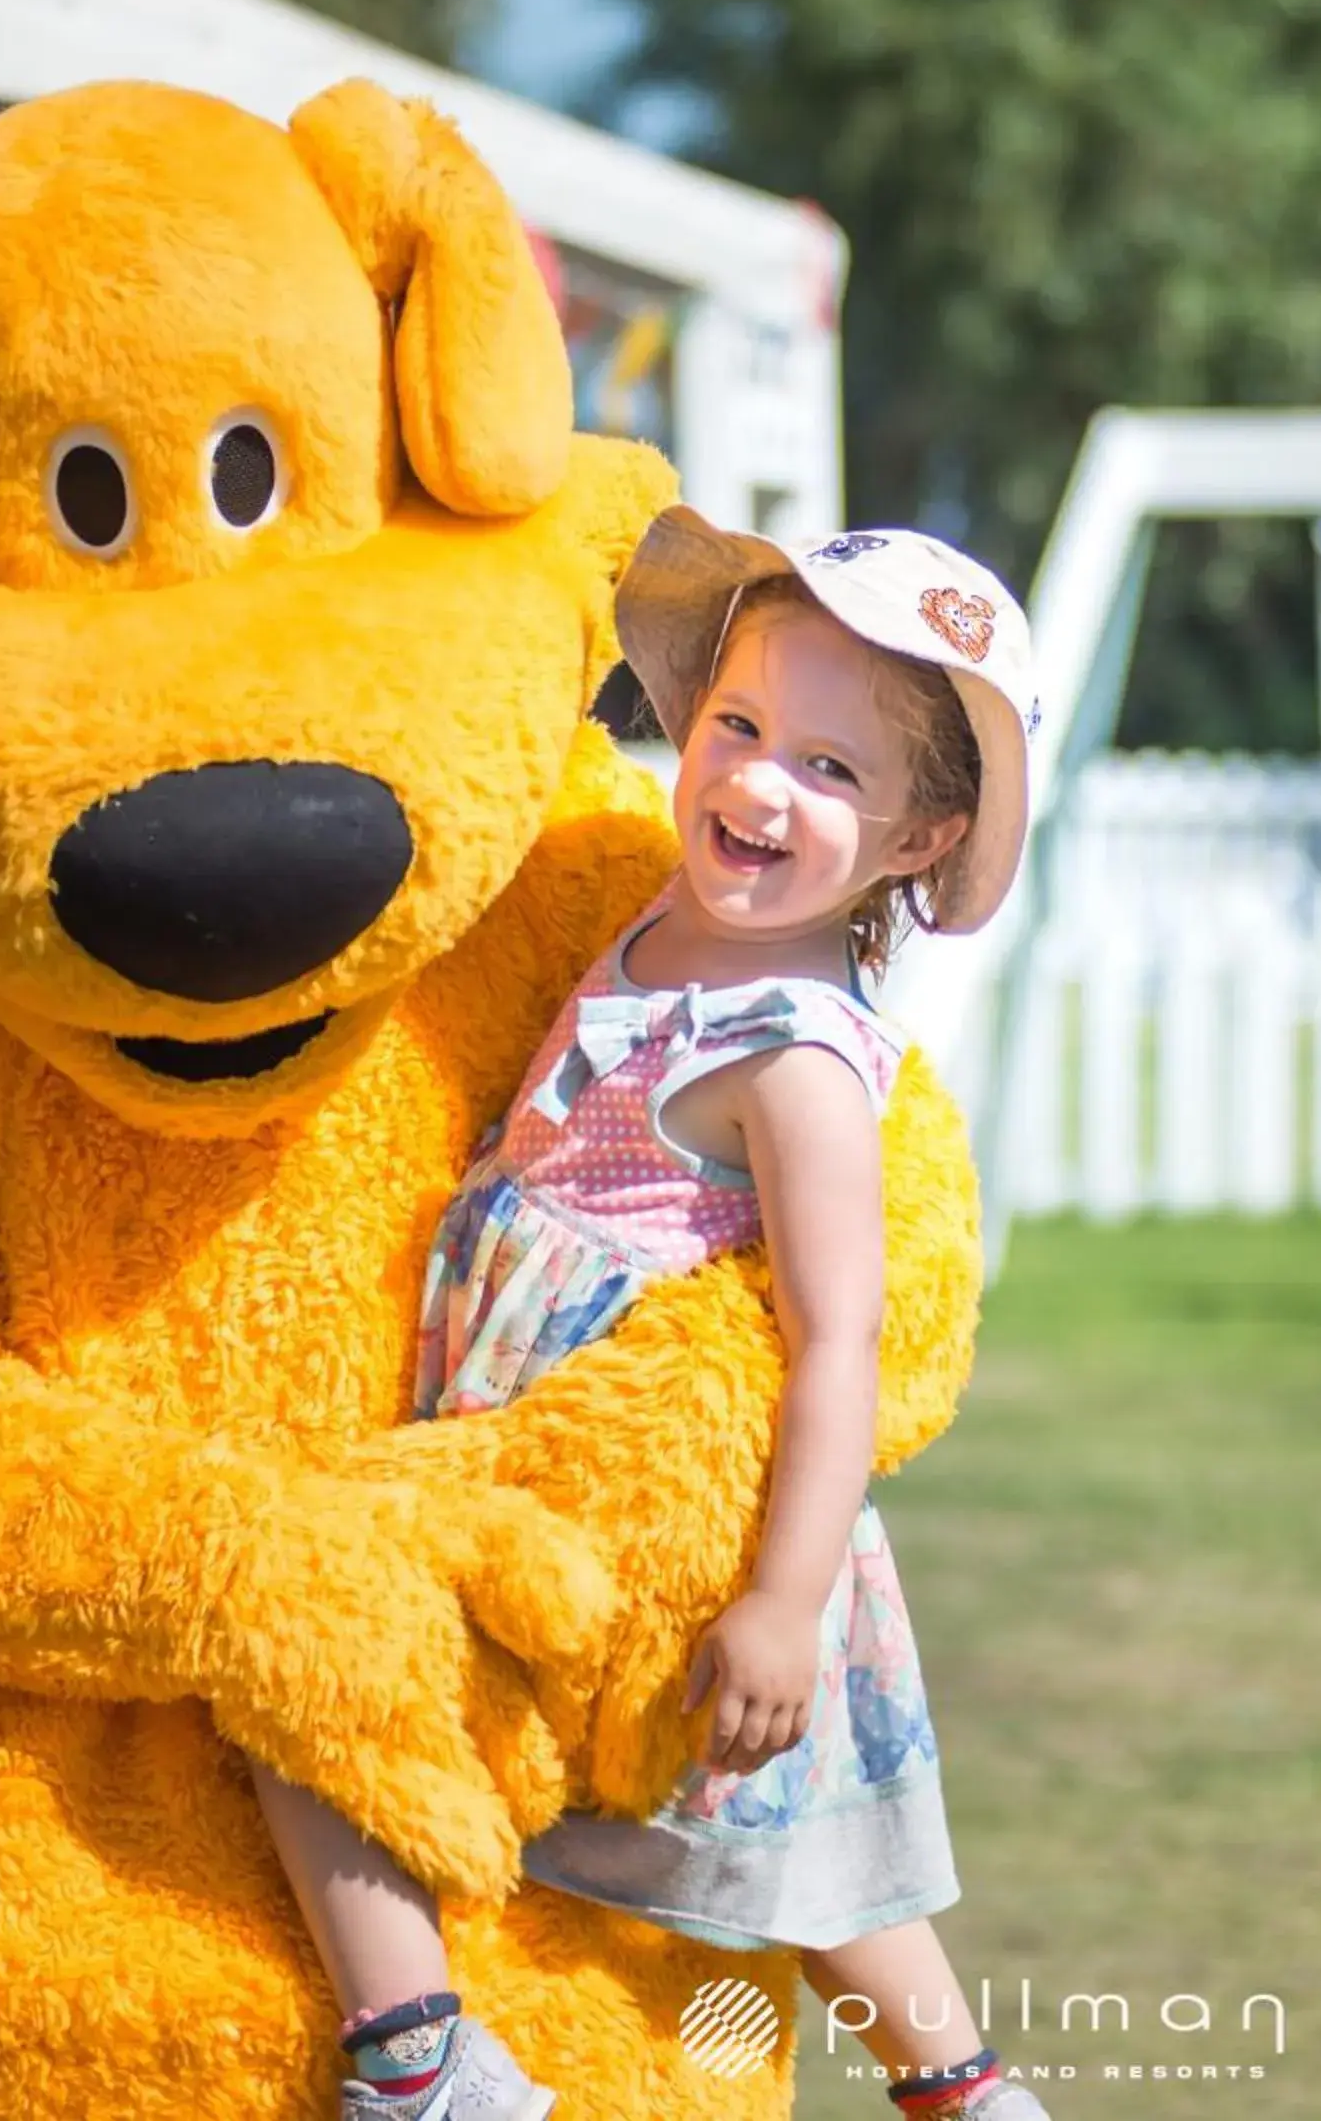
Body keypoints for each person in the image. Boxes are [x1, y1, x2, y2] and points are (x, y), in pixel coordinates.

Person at [251, 511, 1057, 2121]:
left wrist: (781, 1598)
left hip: (621, 1507)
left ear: (916, 839)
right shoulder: (640, 927)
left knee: (301, 1663)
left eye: (832, 773)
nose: (759, 785)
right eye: (744, 727)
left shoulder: (797, 1057)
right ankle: (962, 2094)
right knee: (822, 1852)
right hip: (524, 1460)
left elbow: (836, 1342)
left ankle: (414, 2064)